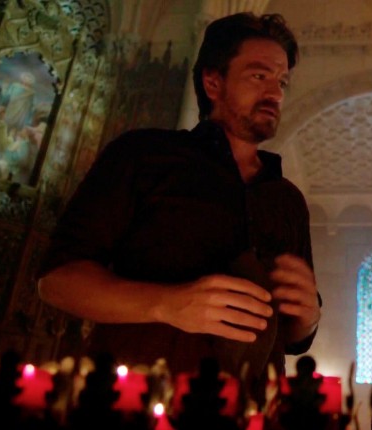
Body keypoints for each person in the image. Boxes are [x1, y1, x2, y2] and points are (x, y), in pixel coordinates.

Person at [37, 13, 321, 386]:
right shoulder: (143, 156)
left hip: (249, 406)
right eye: (259, 76)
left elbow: (294, 336)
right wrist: (166, 304)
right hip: (138, 398)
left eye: (282, 82)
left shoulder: (287, 201)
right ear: (213, 82)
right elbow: (57, 281)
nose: (276, 93)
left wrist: (308, 316)